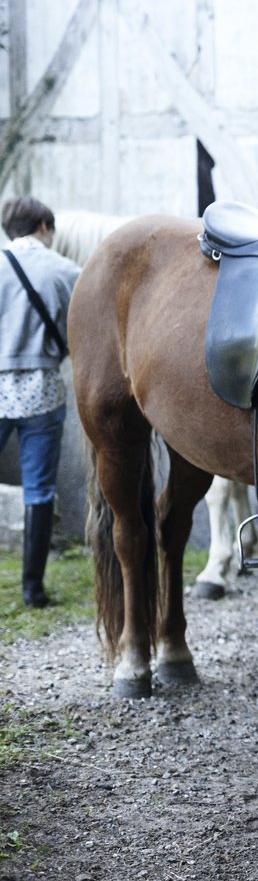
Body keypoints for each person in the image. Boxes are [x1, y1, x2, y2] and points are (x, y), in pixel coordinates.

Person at [1, 196, 80, 608]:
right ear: (44, 226)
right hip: (43, 390)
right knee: (39, 489)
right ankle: (32, 589)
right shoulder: (66, 271)